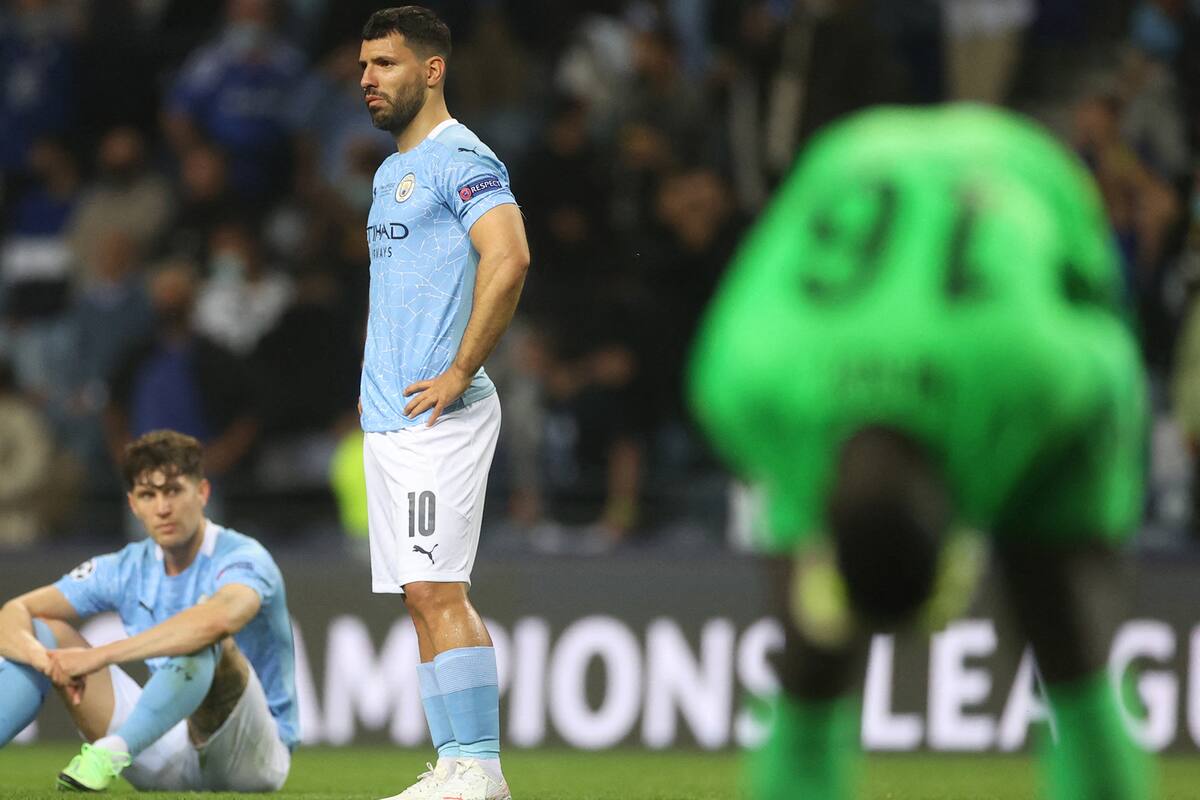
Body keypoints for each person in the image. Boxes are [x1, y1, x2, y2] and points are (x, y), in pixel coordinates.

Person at [688, 104, 1155, 800]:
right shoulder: (741, 380)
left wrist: (1064, 536)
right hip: (857, 161)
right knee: (1071, 643)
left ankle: (1068, 654)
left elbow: (1111, 366)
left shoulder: (745, 380)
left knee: (1048, 607)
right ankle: (1082, 687)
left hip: (1014, 163)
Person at [356, 7, 529, 800]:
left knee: (438, 590)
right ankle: (453, 765)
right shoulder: (392, 171)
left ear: (432, 70)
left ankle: (481, 768)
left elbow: (510, 254)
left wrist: (460, 369)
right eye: (363, 67)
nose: (367, 81)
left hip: (439, 414)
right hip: (390, 419)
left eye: (385, 65)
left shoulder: (463, 155)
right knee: (418, 598)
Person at [0, 429, 297, 792]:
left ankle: (111, 752)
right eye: (148, 494)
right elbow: (15, 611)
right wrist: (43, 658)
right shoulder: (126, 567)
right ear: (133, 504)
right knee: (40, 629)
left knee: (202, 636)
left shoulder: (243, 557)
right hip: (162, 745)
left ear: (202, 492)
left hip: (248, 755)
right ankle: (117, 748)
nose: (162, 508)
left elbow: (217, 621)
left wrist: (96, 658)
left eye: (173, 490)